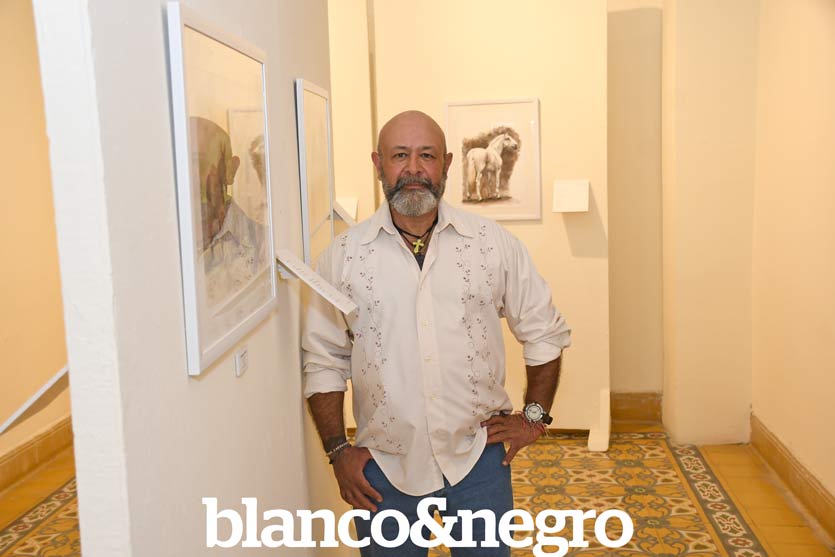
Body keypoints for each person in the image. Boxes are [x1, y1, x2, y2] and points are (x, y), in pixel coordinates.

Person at [302, 110, 571, 556]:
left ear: (446, 164)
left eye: (426, 155)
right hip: (383, 469)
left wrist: (534, 417)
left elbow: (544, 331)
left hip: (479, 461)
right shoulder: (343, 258)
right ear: (378, 164)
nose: (413, 169)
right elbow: (323, 360)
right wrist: (337, 452)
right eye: (399, 156)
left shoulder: (491, 244)